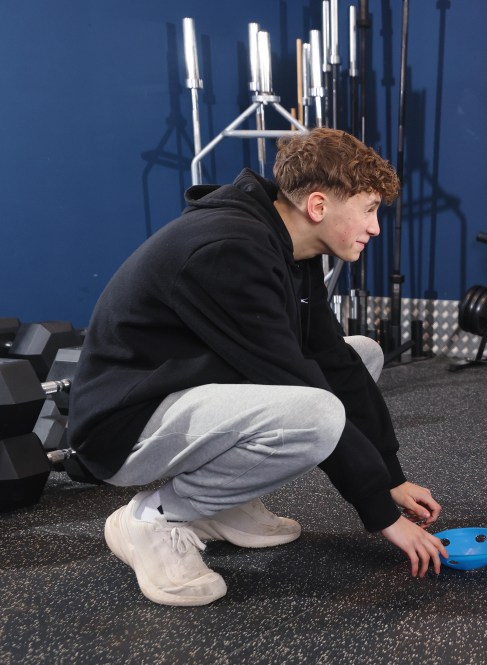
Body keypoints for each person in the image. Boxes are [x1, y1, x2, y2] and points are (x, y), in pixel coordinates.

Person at [69, 127, 448, 607]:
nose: (375, 227)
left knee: (361, 353)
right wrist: (382, 515)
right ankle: (153, 519)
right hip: (123, 424)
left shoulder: (289, 243)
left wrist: (391, 475)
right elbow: (298, 383)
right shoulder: (230, 251)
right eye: (369, 211)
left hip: (186, 394)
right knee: (318, 412)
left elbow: (331, 359)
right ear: (317, 207)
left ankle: (220, 502)